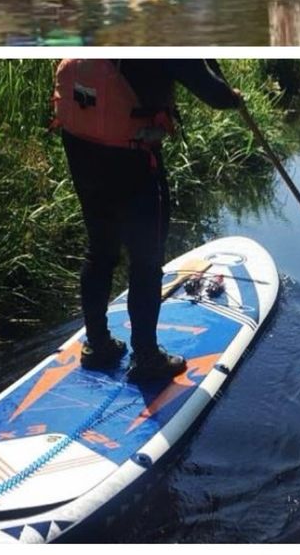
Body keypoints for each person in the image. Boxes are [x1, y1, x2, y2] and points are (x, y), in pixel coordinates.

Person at [53, 59, 243, 383]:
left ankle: (97, 346)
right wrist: (234, 96)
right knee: (146, 261)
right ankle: (147, 358)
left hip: (82, 150)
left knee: (100, 251)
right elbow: (215, 95)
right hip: (132, 155)